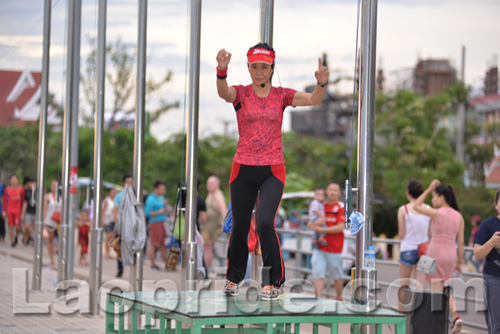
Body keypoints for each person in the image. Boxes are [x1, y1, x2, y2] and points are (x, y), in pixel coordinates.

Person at [216, 42, 329, 300]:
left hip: (272, 170)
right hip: (243, 168)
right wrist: (221, 71)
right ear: (248, 68)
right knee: (240, 226)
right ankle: (234, 278)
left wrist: (321, 84)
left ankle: (274, 282)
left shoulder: (282, 95)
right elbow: (224, 93)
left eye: (264, 67)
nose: (258, 72)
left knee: (266, 223)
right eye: (254, 67)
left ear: (271, 68)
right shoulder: (242, 93)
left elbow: (313, 99)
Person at [413, 179, 464, 334]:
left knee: (432, 287)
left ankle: (435, 323)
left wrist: (428, 189)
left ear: (442, 197)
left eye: (434, 197)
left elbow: (416, 205)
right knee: (444, 288)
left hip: (435, 253)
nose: (432, 200)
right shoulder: (459, 216)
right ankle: (455, 317)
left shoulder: (437, 213)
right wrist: (459, 261)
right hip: (451, 254)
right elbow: (460, 242)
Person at [397, 180, 431, 310]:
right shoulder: (428, 209)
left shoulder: (403, 209)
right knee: (421, 285)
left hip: (407, 249)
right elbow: (430, 232)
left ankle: (401, 315)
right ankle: (420, 317)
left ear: (408, 193)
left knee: (404, 285)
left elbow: (402, 234)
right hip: (424, 250)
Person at [308, 182, 345, 300]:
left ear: (339, 193)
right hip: (319, 247)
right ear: (326, 192)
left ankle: (339, 298)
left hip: (335, 248)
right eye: (330, 189)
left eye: (335, 190)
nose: (332, 192)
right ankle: (318, 299)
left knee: (337, 275)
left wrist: (320, 228)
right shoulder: (320, 206)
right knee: (318, 273)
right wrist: (313, 225)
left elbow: (340, 227)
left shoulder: (340, 207)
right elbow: (310, 222)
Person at [473, 189, 500, 334]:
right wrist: (491, 243)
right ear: (496, 205)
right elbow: (477, 254)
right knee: (496, 323)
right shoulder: (488, 225)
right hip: (493, 278)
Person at [202, 176, 227, 271]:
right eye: (208, 183)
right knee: (206, 248)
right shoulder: (211, 194)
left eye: (211, 183)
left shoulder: (218, 196)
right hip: (206, 226)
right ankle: (205, 269)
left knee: (207, 249)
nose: (209, 185)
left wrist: (222, 226)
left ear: (217, 184)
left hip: (210, 227)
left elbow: (224, 212)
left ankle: (205, 270)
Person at [144, 181, 169, 270]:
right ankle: (152, 263)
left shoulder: (161, 198)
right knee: (154, 243)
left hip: (162, 222)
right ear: (156, 189)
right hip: (154, 222)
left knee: (162, 243)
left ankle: (166, 262)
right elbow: (147, 212)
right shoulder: (151, 198)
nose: (163, 191)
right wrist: (159, 212)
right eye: (161, 189)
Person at [113, 174, 133, 277]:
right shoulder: (119, 196)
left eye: (131, 182)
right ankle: (120, 268)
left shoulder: (135, 195)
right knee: (120, 247)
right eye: (127, 182)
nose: (129, 184)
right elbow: (115, 210)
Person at [3, 174, 25, 247]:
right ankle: (12, 240)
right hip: (9, 210)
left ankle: (16, 237)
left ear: (17, 181)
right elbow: (5, 201)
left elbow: (23, 201)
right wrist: (4, 211)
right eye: (12, 181)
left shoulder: (21, 190)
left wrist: (22, 213)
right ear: (10, 181)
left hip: (17, 211)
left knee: (17, 227)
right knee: (10, 226)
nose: (13, 182)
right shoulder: (7, 190)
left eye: (15, 180)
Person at [43, 179, 61, 266]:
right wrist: (43, 222)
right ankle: (52, 258)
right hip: (50, 220)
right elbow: (45, 209)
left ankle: (58, 253)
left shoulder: (61, 197)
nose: (54, 187)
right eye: (53, 185)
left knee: (60, 238)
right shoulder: (47, 196)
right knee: (50, 238)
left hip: (59, 221)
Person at [101, 187, 117, 259]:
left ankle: (109, 252)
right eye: (113, 192)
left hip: (113, 220)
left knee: (111, 237)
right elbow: (103, 210)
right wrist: (102, 219)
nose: (114, 194)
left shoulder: (116, 200)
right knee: (108, 237)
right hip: (107, 220)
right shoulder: (106, 200)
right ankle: (107, 252)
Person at [21, 177, 36, 245]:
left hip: (36, 212)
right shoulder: (27, 191)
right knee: (27, 226)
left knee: (34, 227)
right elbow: (25, 203)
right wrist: (22, 213)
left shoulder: (39, 192)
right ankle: (29, 237)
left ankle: (30, 238)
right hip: (28, 211)